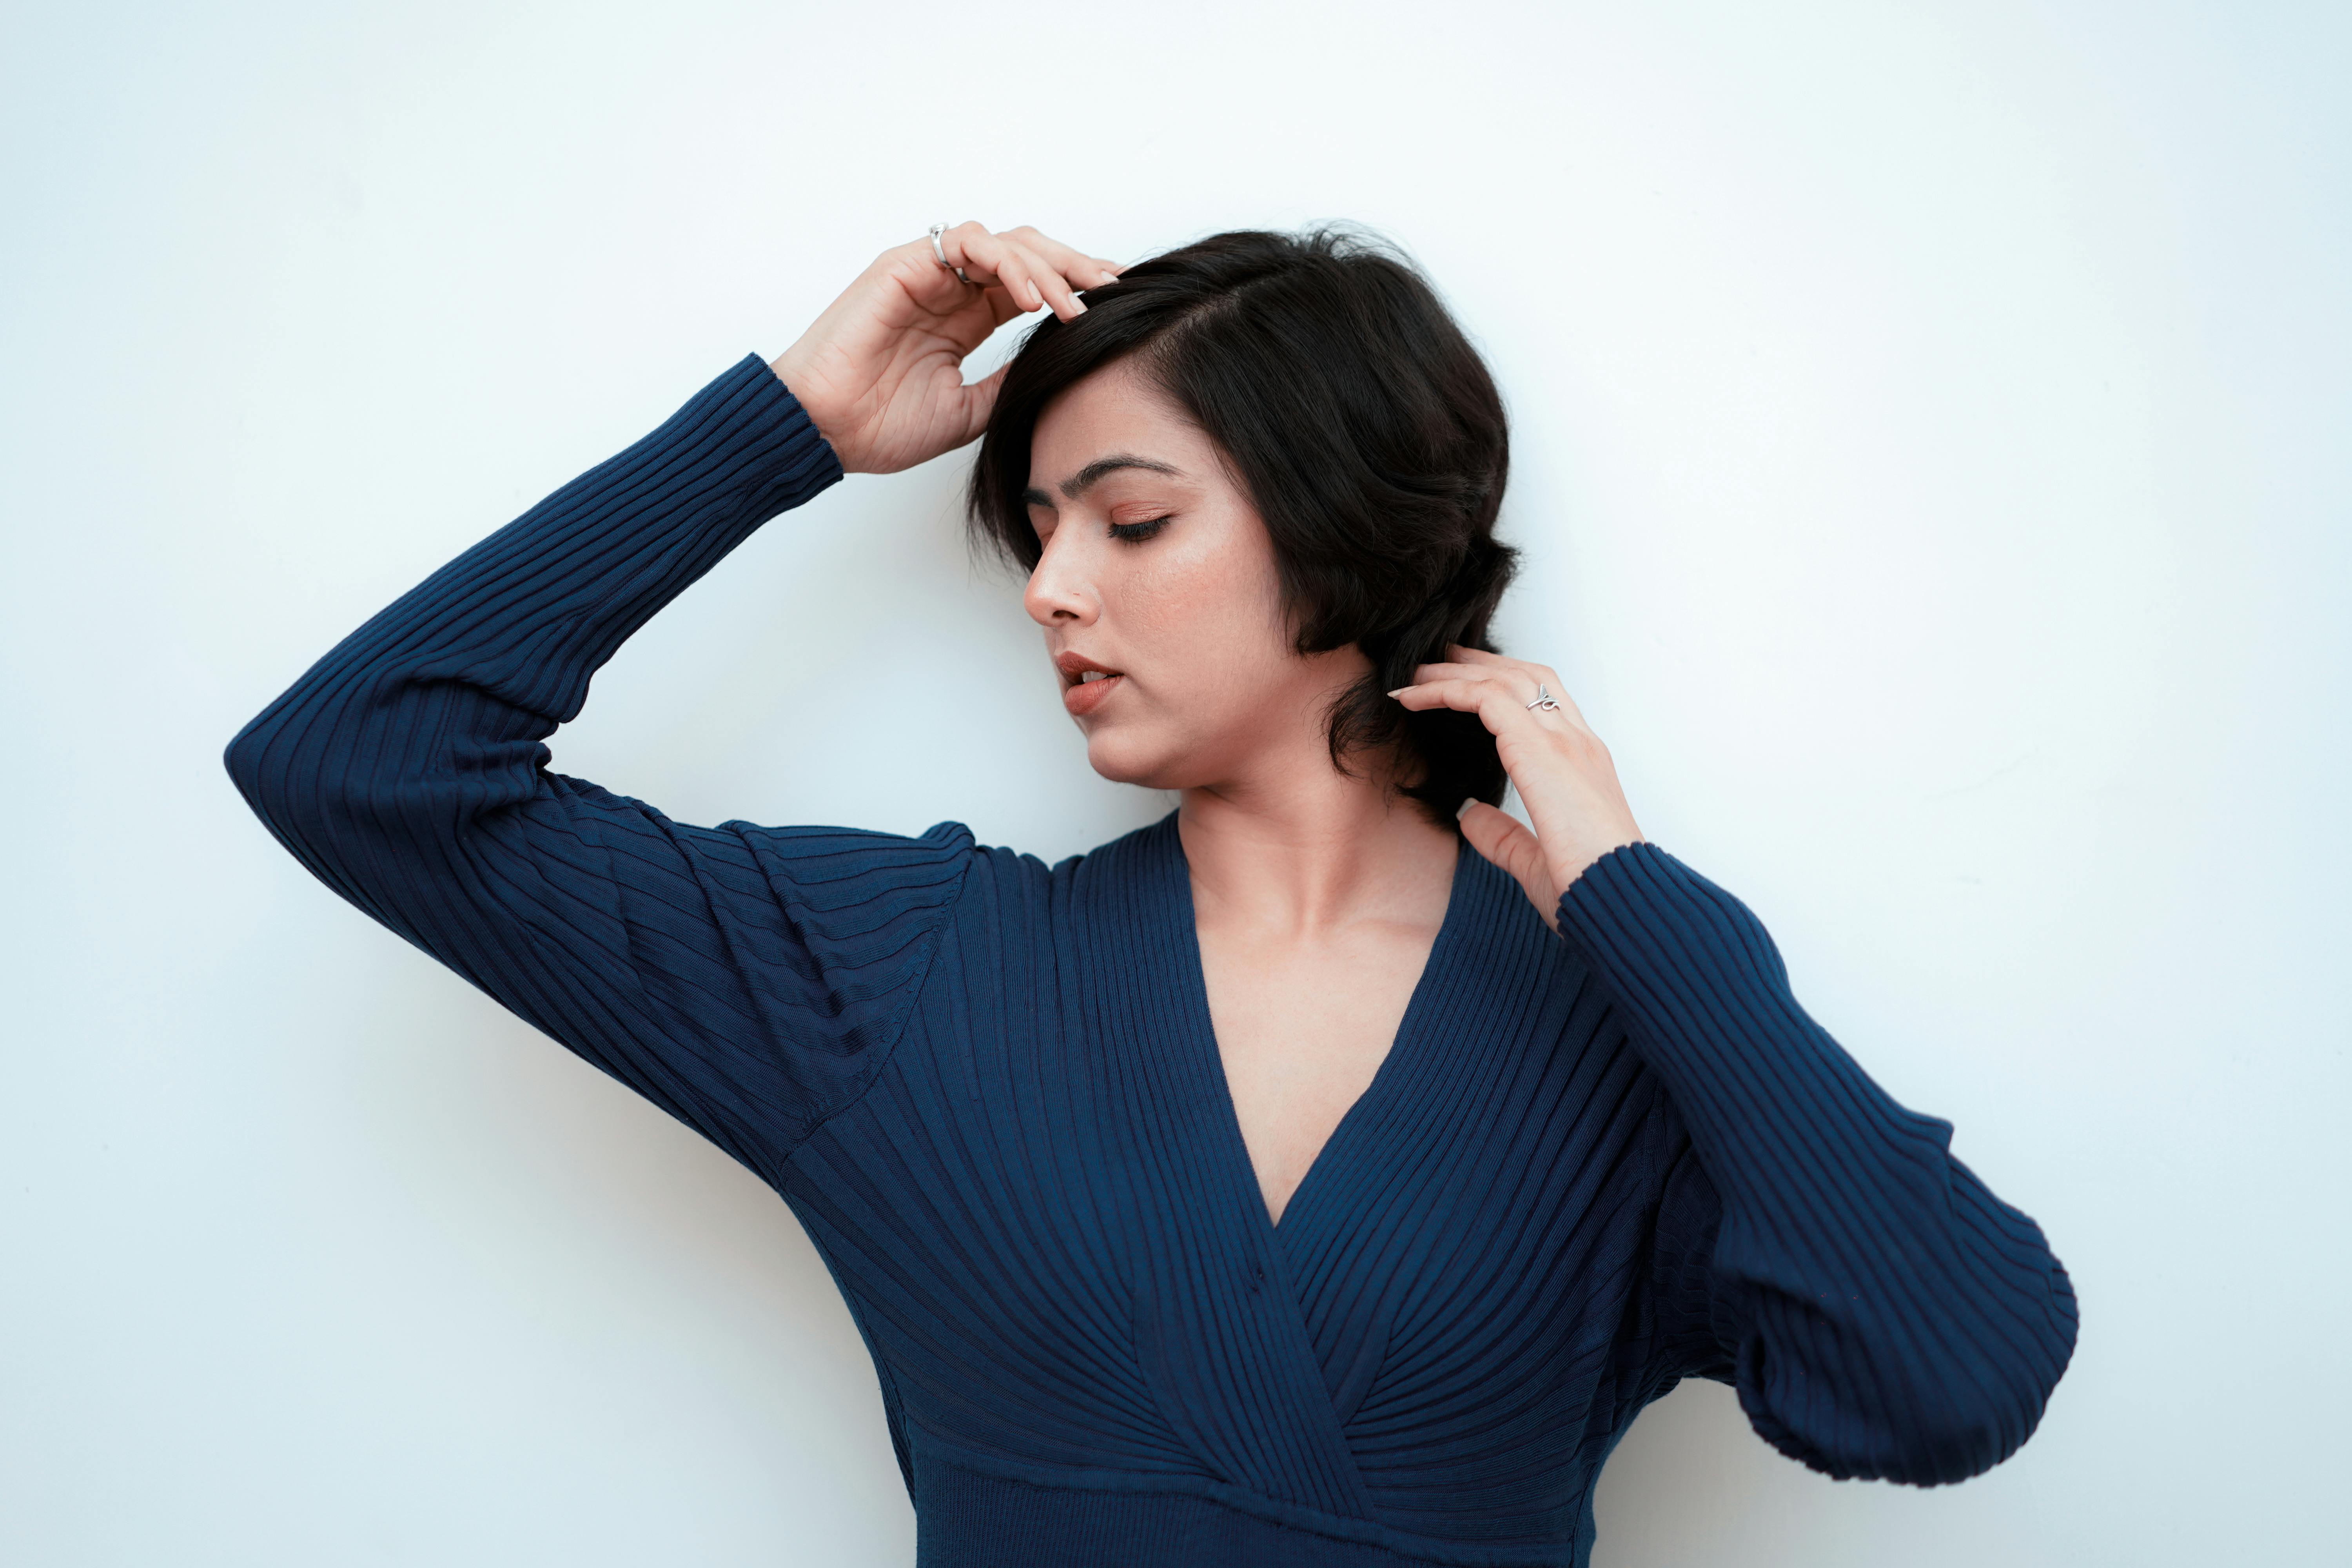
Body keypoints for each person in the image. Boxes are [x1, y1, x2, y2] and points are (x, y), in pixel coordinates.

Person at [225, 221, 2077, 1567]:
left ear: (1347, 524)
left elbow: (1950, 1376)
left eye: (1130, 519)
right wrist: (782, 425)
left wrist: (1635, 907)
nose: (1048, 588)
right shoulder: (909, 975)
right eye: (1034, 535)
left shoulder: (1622, 1037)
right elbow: (362, 765)